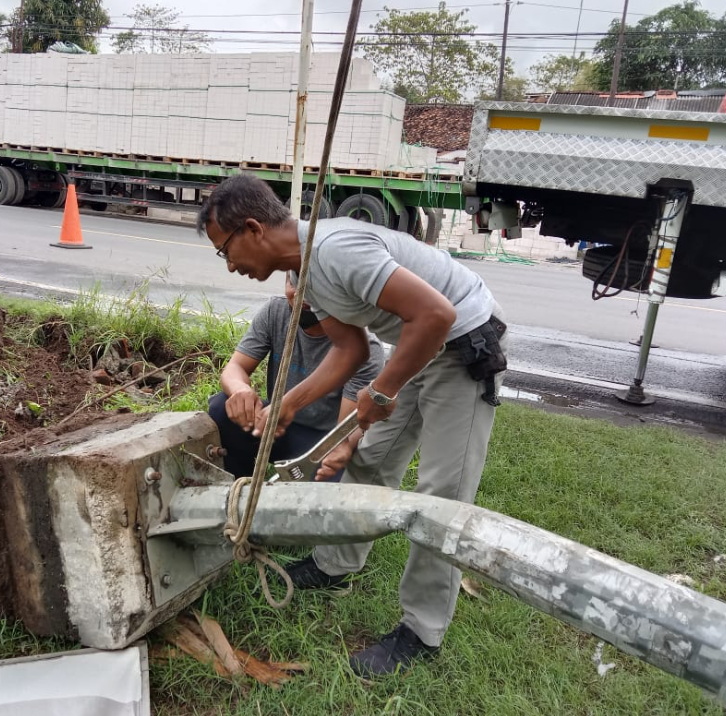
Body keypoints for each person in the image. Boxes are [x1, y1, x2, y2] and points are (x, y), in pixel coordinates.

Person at [197, 174, 509, 678]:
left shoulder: (334, 250)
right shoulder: (302, 275)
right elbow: (352, 349)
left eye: (225, 250)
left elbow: (435, 313)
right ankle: (334, 564)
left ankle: (421, 632)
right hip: (421, 347)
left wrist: (381, 391)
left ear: (252, 228)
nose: (231, 266)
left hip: (462, 344)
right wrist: (289, 405)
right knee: (370, 462)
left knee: (442, 496)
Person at [209, 274, 384, 482]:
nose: (302, 293)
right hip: (274, 425)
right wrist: (240, 390)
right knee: (222, 406)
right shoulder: (276, 312)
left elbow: (343, 431)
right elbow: (235, 367)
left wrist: (340, 448)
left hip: (321, 440)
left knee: (331, 483)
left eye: (314, 285)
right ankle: (237, 488)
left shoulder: (364, 347)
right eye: (294, 282)